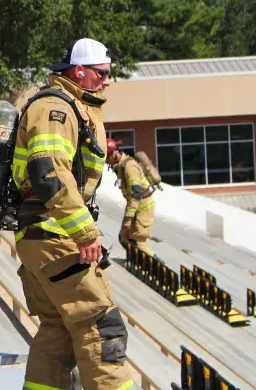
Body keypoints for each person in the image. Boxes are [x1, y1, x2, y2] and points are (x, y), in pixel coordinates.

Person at [11, 38, 134, 390]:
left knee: (58, 330)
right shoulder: (56, 108)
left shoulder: (67, 105)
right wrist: (84, 232)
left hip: (43, 234)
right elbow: (49, 172)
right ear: (79, 71)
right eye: (102, 73)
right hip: (55, 235)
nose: (107, 81)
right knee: (100, 326)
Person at [106, 139, 155, 255]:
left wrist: (128, 219)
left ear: (114, 155)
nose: (107, 163)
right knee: (124, 237)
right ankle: (134, 260)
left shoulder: (129, 166)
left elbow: (136, 194)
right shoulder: (121, 166)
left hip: (143, 207)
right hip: (135, 207)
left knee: (138, 242)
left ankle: (155, 264)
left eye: (107, 159)